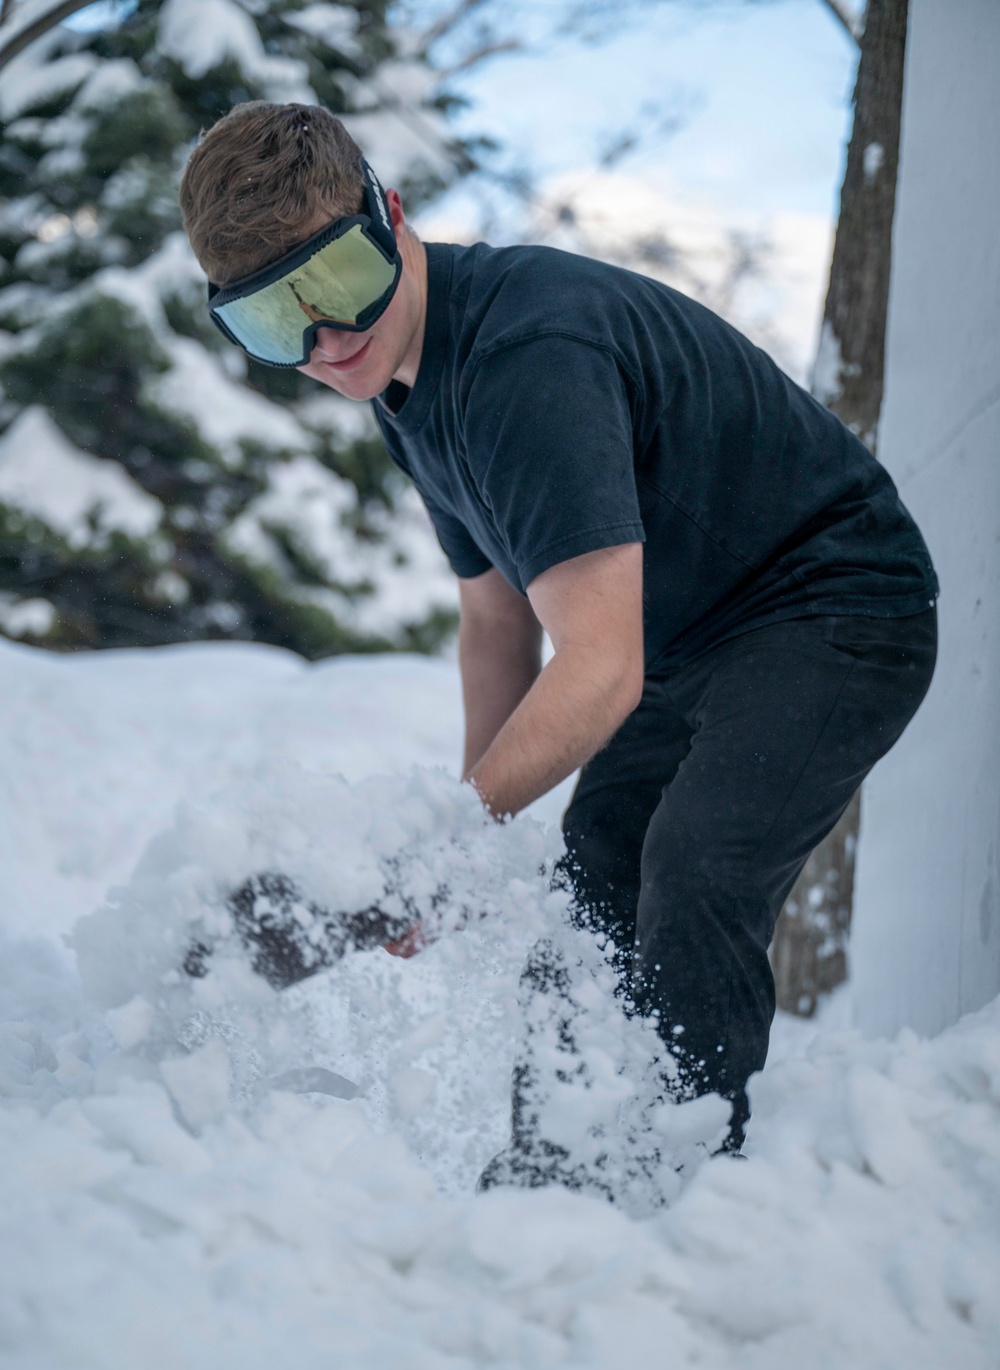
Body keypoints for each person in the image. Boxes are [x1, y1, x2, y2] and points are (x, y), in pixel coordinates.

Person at [179, 101, 938, 1173]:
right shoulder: (404, 385)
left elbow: (599, 666)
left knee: (693, 869)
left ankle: (681, 1190)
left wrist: (446, 851)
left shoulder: (525, 357)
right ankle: (555, 1187)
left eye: (337, 284)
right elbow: (495, 621)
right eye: (272, 322)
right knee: (591, 879)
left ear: (390, 216)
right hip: (688, 640)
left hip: (836, 606)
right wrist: (466, 839)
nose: (325, 340)